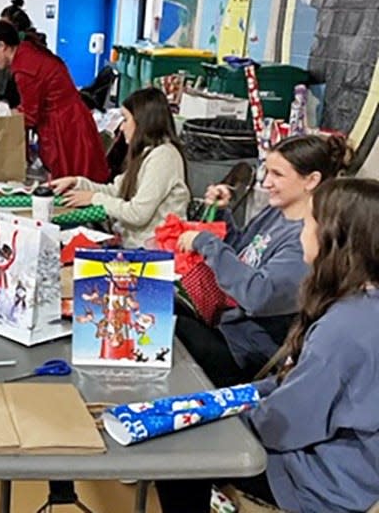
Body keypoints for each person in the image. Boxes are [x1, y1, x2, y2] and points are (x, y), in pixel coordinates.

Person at [156, 177, 379, 513]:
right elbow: (295, 387)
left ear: (334, 238)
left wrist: (220, 417)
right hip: (346, 459)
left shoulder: (342, 329)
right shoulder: (361, 303)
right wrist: (235, 398)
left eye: (308, 222)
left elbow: (286, 424)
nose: (301, 229)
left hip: (328, 479)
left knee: (182, 451)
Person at [174, 134, 352, 387]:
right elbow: (243, 255)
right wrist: (223, 214)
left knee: (172, 331)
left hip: (247, 350)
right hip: (226, 325)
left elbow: (258, 295)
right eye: (266, 172)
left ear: (311, 180)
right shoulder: (276, 212)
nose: (266, 183)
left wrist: (206, 243)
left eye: (277, 175)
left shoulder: (306, 241)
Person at [50, 87, 190, 247]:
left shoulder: (164, 157)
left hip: (151, 252)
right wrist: (77, 182)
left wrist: (94, 198)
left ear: (143, 122)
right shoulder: (146, 154)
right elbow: (117, 191)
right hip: (132, 244)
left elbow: (138, 213)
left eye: (125, 119)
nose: (122, 127)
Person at [0, 20, 109, 182]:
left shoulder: (24, 70)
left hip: (64, 126)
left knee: (70, 181)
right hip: (72, 117)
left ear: (2, 46)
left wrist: (7, 119)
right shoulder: (28, 50)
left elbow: (30, 116)